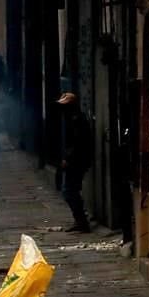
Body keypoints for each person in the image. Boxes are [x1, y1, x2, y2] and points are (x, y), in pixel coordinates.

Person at [56, 92, 92, 233]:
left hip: (76, 162)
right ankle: (80, 220)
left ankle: (82, 222)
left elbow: (77, 144)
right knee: (71, 191)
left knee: (69, 191)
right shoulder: (72, 119)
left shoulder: (77, 120)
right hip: (77, 161)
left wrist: (67, 159)